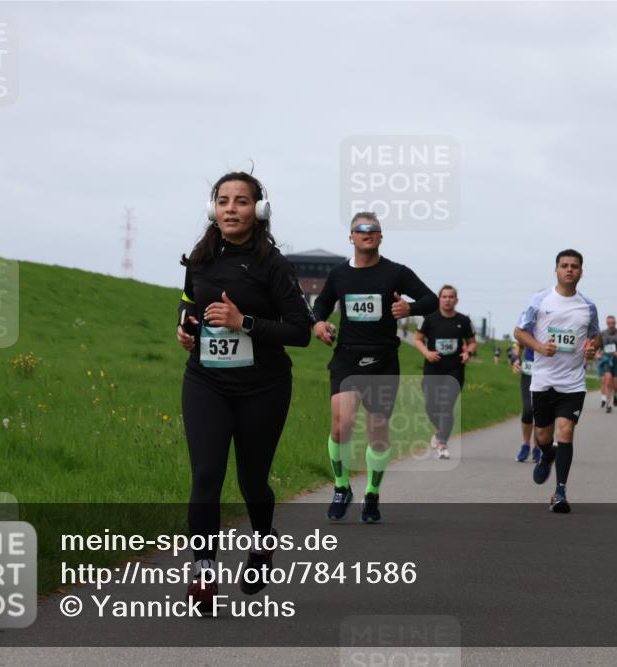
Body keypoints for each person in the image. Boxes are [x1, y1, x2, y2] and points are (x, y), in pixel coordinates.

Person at [177, 172, 312, 608]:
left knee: (252, 478)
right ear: (213, 209)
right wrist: (185, 328)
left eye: (241, 201)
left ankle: (262, 540)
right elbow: (187, 304)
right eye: (223, 200)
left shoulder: (274, 266)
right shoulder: (199, 259)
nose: (231, 208)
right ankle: (203, 574)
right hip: (206, 380)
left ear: (259, 210)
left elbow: (300, 332)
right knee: (206, 475)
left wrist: (243, 323)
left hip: (263, 387)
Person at [312, 212, 438, 523]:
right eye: (360, 229)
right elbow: (322, 303)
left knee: (377, 433)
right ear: (351, 237)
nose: (367, 233)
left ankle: (371, 492)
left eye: (374, 229)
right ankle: (342, 487)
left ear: (381, 237)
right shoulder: (339, 274)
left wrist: (411, 307)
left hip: (382, 361)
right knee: (341, 425)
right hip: (347, 358)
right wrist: (318, 323)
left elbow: (430, 299)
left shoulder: (396, 272)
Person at [514, 249, 600, 513]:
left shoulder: (588, 306)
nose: (569, 270)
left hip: (572, 383)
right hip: (543, 380)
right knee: (543, 435)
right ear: (556, 270)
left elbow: (596, 336)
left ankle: (560, 492)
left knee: (566, 431)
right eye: (564, 265)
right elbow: (519, 331)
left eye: (574, 266)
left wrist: (592, 348)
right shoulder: (540, 300)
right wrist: (539, 347)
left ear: (581, 272)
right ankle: (546, 455)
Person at [414, 285, 476, 460]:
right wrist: (427, 353)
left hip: (454, 368)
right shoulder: (429, 319)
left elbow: (472, 342)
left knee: (446, 405)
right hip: (433, 367)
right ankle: (440, 431)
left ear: (456, 300)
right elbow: (417, 339)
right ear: (439, 299)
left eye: (451, 297)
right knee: (431, 405)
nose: (447, 300)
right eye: (444, 297)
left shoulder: (463, 320)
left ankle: (442, 443)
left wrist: (468, 352)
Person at [511, 342, 540, 463]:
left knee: (541, 411)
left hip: (549, 371)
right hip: (528, 370)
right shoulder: (529, 323)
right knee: (528, 409)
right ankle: (526, 445)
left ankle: (538, 447)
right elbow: (518, 345)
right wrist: (516, 359)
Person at [597, 315, 617, 414]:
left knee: (615, 383)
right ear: (607, 323)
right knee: (608, 379)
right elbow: (598, 347)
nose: (611, 325)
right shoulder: (602, 333)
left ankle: (615, 395)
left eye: (613, 323)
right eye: (609, 323)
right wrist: (598, 354)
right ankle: (608, 404)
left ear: (615, 323)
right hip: (606, 359)